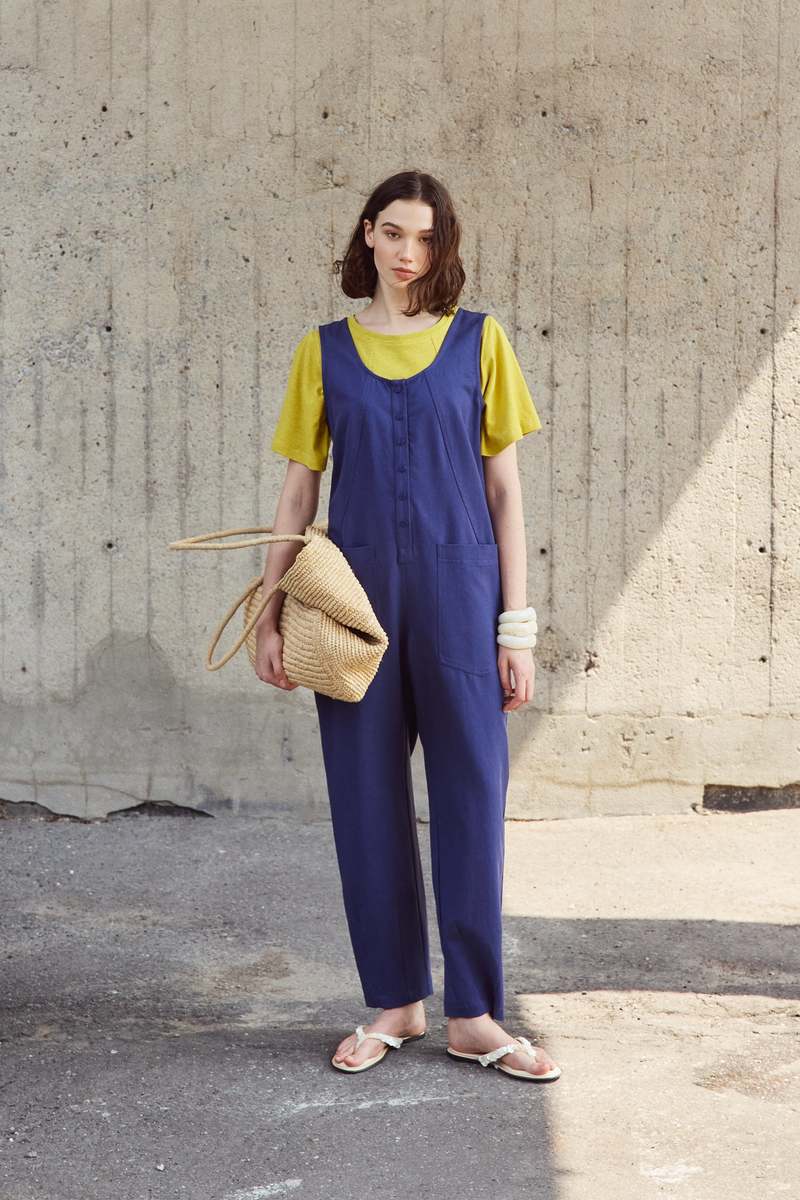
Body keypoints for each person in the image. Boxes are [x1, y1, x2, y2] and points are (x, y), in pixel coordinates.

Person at [255, 170, 561, 1083]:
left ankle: (474, 1015)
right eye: (393, 232)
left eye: (425, 238)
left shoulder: (480, 342)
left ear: (442, 247)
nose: (406, 253)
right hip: (354, 608)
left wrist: (517, 630)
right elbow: (298, 494)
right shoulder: (324, 351)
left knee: (471, 800)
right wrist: (269, 615)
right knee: (365, 800)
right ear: (367, 233)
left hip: (462, 601)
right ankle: (395, 1003)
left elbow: (505, 495)